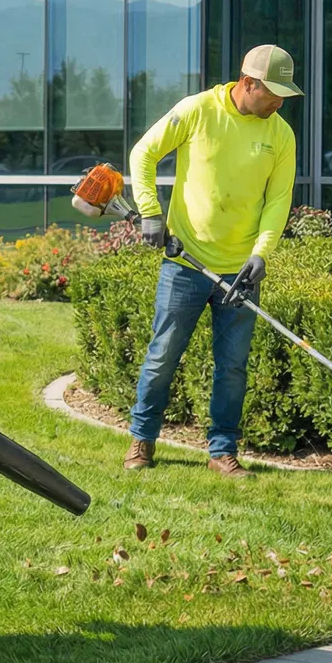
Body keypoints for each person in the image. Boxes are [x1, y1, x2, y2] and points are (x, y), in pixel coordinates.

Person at [123, 45, 299, 478]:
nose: (279, 104)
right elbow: (143, 153)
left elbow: (278, 200)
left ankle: (222, 450)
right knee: (163, 356)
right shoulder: (198, 110)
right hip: (186, 264)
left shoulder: (281, 135)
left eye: (284, 95)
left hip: (240, 273)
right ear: (248, 83)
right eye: (273, 94)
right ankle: (142, 440)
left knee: (233, 368)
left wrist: (261, 254)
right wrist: (150, 212)